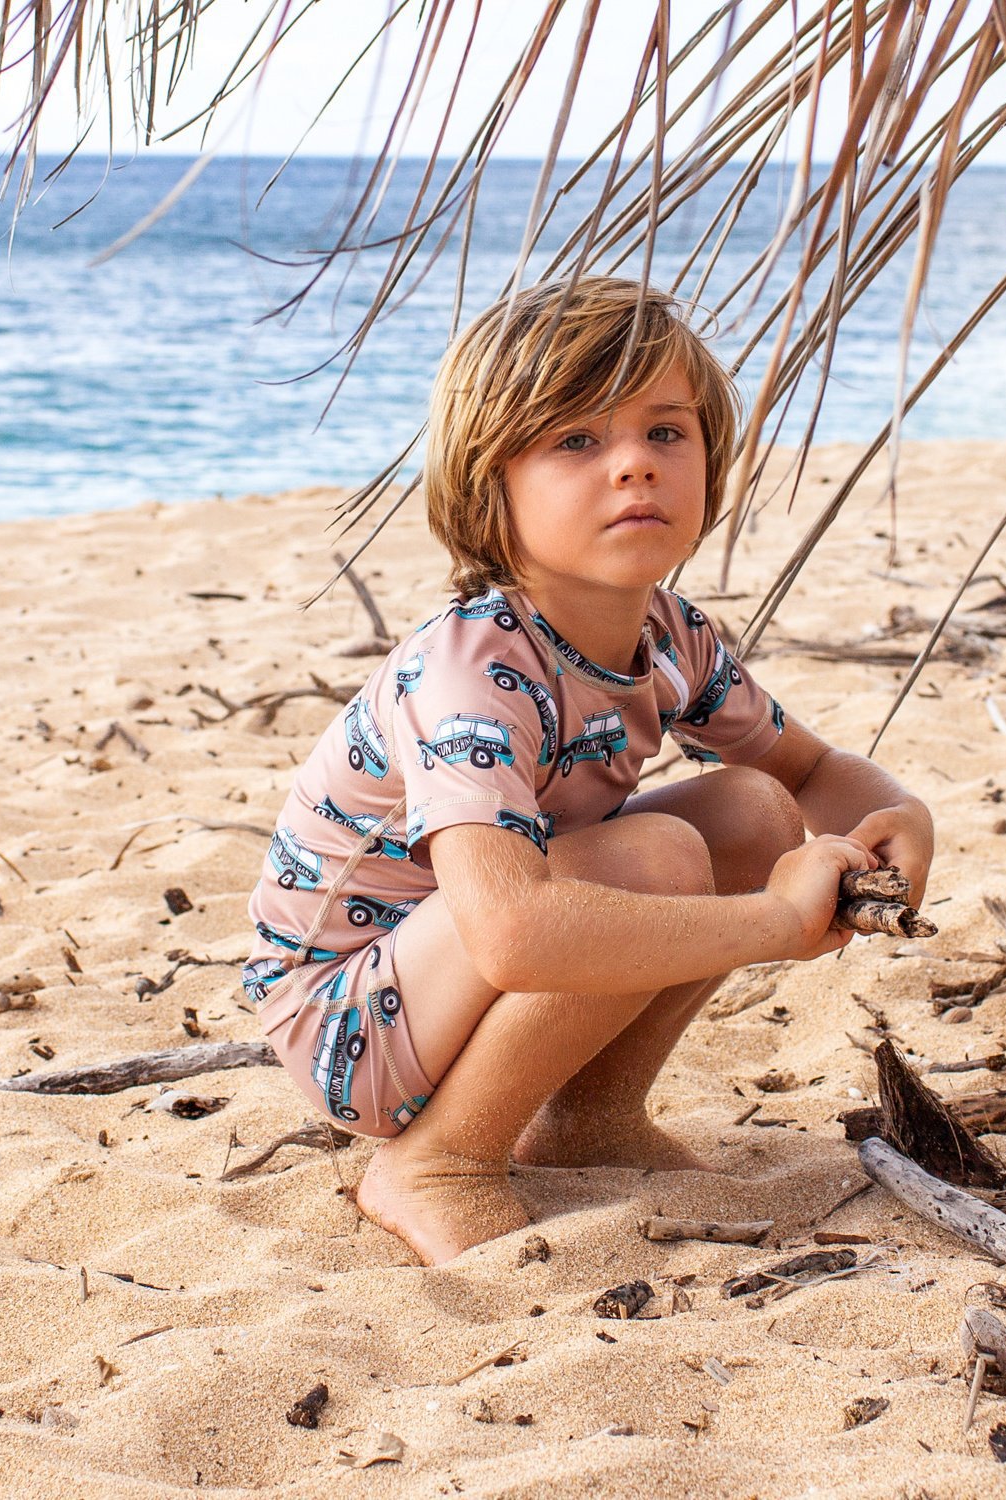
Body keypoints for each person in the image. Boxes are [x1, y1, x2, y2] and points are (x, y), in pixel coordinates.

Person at [244, 276, 935, 1265]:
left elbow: (812, 768)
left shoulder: (668, 634)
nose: (633, 468)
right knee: (655, 855)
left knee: (751, 808)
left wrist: (899, 820)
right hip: (352, 1019)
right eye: (577, 440)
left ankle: (589, 1119)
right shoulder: (473, 673)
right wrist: (777, 925)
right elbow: (515, 935)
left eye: (665, 433)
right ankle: (439, 1159)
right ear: (493, 486)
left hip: (463, 965)